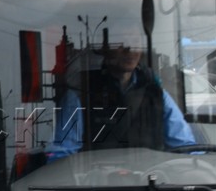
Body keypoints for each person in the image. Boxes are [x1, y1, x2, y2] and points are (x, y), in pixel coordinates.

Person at [49, 40, 197, 159]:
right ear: (105, 48)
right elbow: (63, 155)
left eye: (136, 43)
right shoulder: (80, 94)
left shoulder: (157, 94)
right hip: (95, 189)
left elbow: (185, 147)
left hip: (152, 186)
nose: (130, 49)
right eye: (121, 42)